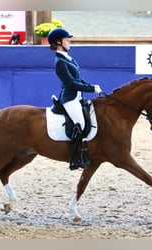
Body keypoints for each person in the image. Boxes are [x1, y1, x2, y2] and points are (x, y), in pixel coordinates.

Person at [48, 28, 102, 170]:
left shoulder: (68, 58)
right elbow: (70, 83)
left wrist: (91, 86)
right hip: (69, 98)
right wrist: (90, 89)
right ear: (58, 42)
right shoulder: (60, 61)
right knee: (80, 123)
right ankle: (74, 158)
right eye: (67, 40)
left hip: (77, 97)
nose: (69, 42)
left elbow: (77, 79)